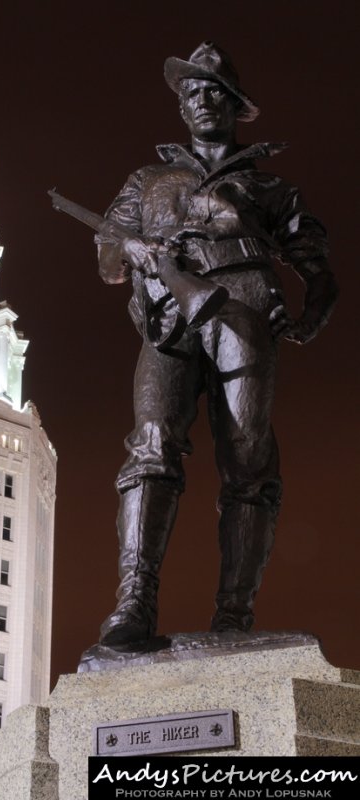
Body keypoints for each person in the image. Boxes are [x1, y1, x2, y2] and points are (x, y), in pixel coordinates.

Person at [96, 42, 337, 646]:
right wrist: (131, 249)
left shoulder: (270, 188)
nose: (201, 100)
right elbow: (107, 255)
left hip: (244, 311)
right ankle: (134, 601)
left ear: (233, 106)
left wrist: (306, 320)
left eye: (213, 92)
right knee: (151, 444)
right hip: (168, 318)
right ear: (181, 106)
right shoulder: (147, 180)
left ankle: (233, 615)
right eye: (191, 92)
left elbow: (320, 272)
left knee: (248, 459)